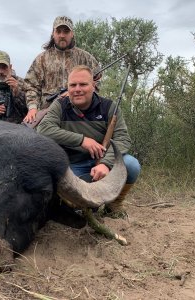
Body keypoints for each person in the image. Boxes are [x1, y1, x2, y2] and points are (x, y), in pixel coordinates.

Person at [37, 65, 141, 217]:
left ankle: (114, 204)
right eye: (73, 85)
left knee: (131, 165)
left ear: (93, 86)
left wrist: (106, 163)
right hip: (71, 164)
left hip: (102, 161)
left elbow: (123, 139)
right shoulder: (59, 106)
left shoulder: (109, 107)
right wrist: (82, 140)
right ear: (68, 88)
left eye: (83, 84)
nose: (77, 89)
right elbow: (44, 129)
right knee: (74, 205)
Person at [23, 16, 100, 124]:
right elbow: (30, 86)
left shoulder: (86, 58)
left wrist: (77, 93)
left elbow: (96, 82)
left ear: (72, 34)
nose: (62, 35)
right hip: (48, 116)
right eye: (58, 31)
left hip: (79, 116)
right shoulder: (41, 59)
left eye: (66, 31)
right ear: (53, 33)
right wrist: (32, 108)